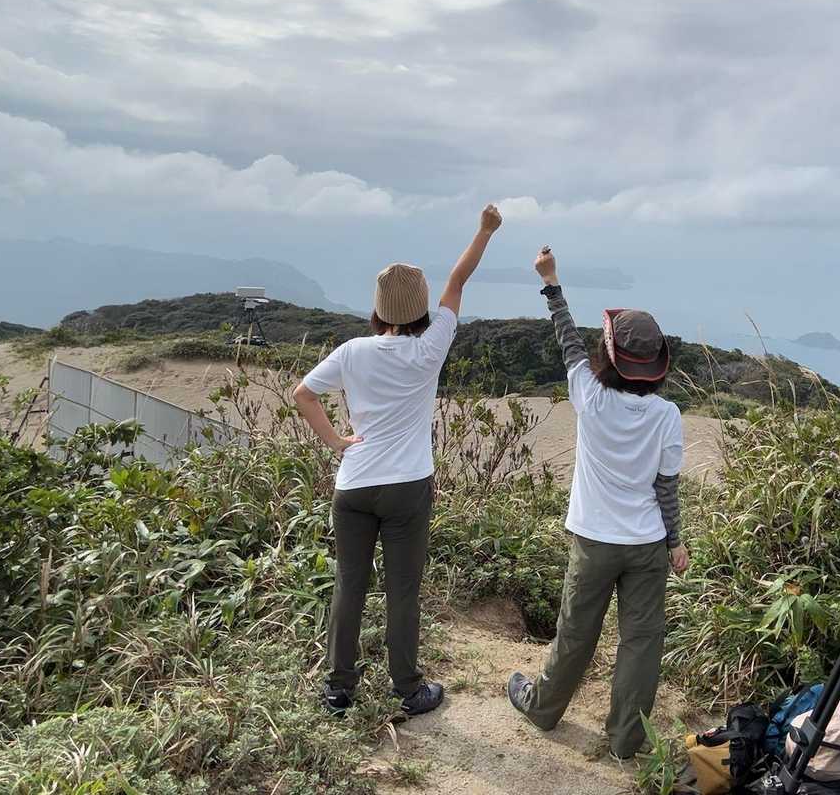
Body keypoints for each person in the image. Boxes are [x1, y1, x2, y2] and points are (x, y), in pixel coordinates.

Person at [293, 204, 503, 718]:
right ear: (421, 308)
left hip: (354, 485)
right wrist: (485, 230)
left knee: (349, 585)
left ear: (379, 309)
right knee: (402, 589)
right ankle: (408, 688)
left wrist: (337, 442)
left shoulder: (351, 351)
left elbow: (303, 394)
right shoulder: (430, 348)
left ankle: (338, 690)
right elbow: (458, 279)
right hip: (407, 487)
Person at [506, 244, 688, 759]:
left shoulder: (590, 395)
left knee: (576, 632)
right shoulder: (667, 416)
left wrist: (551, 284)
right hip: (647, 544)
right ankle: (626, 742)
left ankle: (543, 708)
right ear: (656, 365)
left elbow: (567, 340)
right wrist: (675, 542)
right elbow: (666, 488)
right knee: (641, 643)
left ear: (608, 356)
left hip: (594, 541)